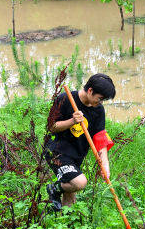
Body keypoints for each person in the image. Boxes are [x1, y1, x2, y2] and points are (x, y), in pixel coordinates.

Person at [45, 74, 116, 209]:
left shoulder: (98, 110)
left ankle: (65, 225)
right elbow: (51, 127)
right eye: (99, 99)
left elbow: (100, 138)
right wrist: (72, 121)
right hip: (56, 151)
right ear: (90, 90)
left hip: (76, 155)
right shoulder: (65, 99)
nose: (100, 103)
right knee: (79, 182)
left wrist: (105, 165)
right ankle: (53, 188)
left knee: (70, 196)